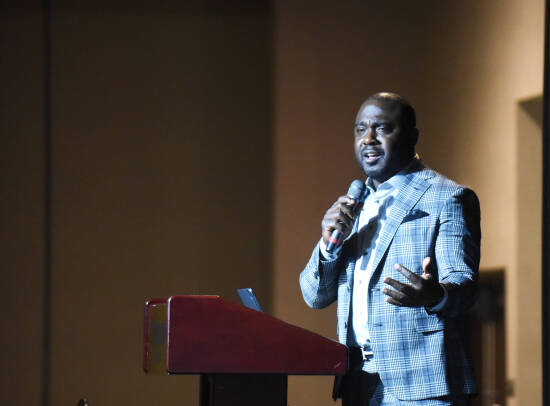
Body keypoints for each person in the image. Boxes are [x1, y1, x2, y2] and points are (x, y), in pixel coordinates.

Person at [299, 92, 480, 405]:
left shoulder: (447, 197)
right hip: (358, 381)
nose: (368, 138)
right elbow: (315, 295)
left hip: (422, 385)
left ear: (412, 136)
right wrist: (329, 243)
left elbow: (465, 286)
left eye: (382, 128)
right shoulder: (354, 206)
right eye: (360, 129)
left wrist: (434, 295)